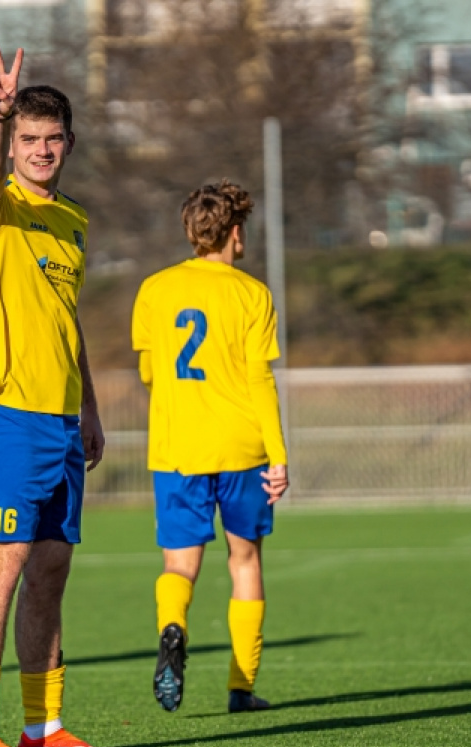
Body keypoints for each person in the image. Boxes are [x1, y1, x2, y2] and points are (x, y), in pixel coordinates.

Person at [0, 43, 122, 747]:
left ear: (70, 143)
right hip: (7, 411)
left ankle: (43, 727)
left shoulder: (73, 223)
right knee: (4, 564)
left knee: (51, 569)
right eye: (29, 139)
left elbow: (68, 320)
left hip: (59, 418)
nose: (41, 151)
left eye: (52, 139)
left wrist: (88, 405)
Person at [131, 179, 290, 715]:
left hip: (178, 449)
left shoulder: (154, 289)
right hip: (242, 449)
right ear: (236, 233)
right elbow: (259, 380)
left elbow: (150, 370)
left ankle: (172, 627)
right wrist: (279, 454)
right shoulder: (252, 294)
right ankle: (241, 686)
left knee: (180, 566)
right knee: (244, 561)